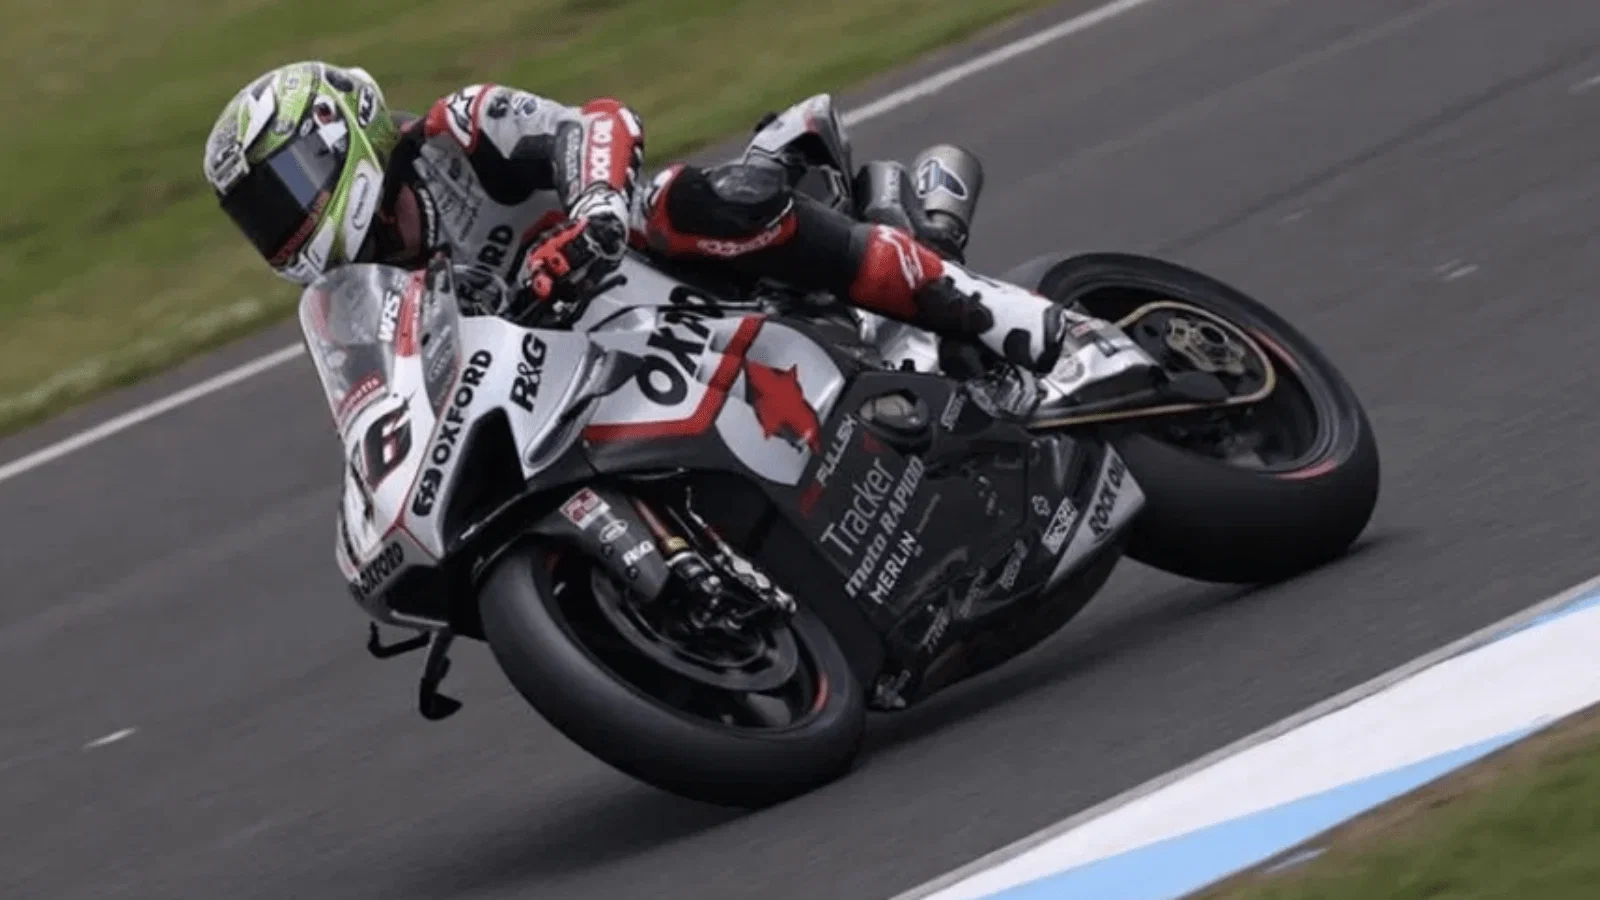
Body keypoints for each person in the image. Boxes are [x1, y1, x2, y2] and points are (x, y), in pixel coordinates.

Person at [202, 61, 1091, 418]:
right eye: (262, 219)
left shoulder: (456, 133)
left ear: (340, 136)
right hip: (591, 381)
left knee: (678, 202)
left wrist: (593, 212)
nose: (287, 225)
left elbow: (596, 123)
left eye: (288, 191)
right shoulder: (366, 302)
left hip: (662, 279)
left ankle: (1033, 329)